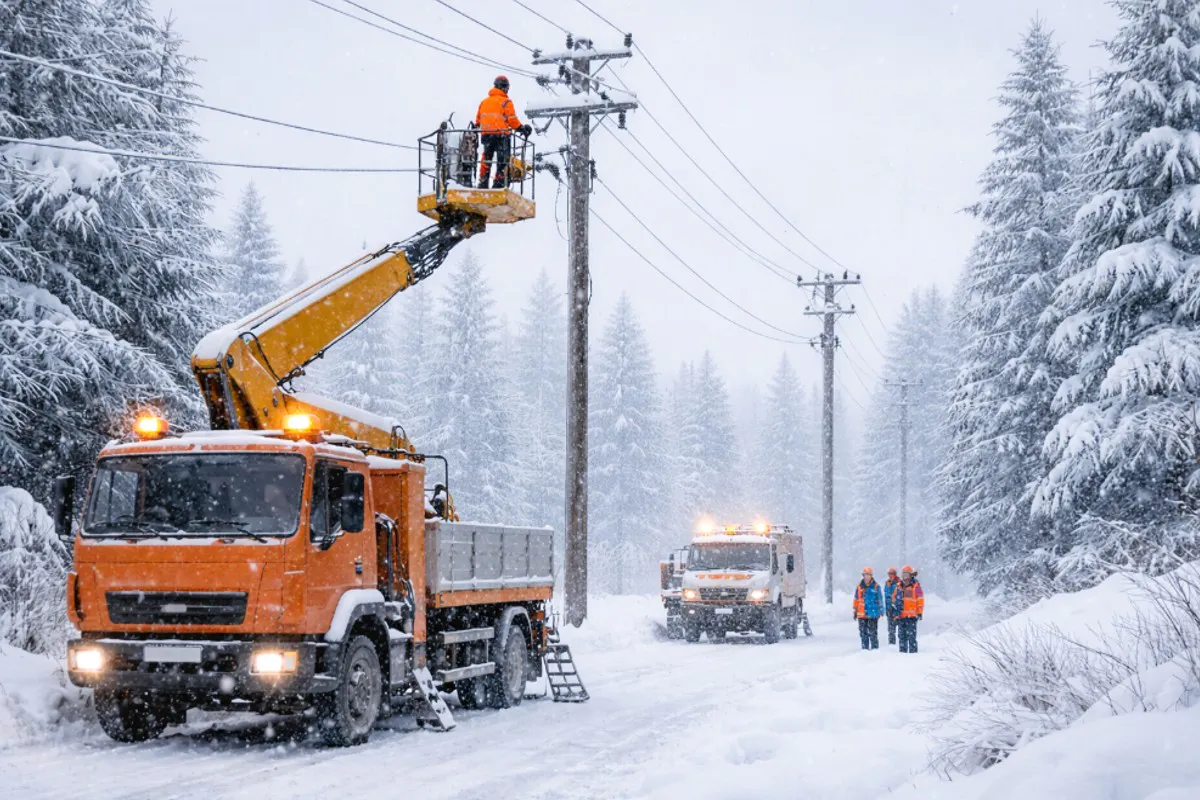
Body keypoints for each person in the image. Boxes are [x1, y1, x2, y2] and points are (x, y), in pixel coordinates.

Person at [476, 75, 532, 189]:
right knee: (503, 161)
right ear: (504, 88)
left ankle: (483, 182)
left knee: (486, 159)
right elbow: (512, 120)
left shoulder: (484, 102)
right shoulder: (506, 102)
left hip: (486, 134)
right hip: (501, 135)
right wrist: (522, 128)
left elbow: (477, 121)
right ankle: (499, 184)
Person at [852, 567, 884, 650]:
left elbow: (880, 599)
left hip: (872, 614)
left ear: (871, 576)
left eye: (868, 575)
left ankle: (875, 650)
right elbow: (856, 599)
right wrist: (855, 610)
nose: (866, 577)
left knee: (873, 633)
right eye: (865, 575)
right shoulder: (859, 586)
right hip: (861, 614)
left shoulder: (876, 586)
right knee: (863, 634)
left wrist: (881, 610)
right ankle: (865, 650)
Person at [897, 565, 924, 654]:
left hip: (912, 616)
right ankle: (902, 654)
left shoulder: (916, 586)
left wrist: (919, 612)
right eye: (903, 574)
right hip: (901, 616)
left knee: (911, 637)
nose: (905, 577)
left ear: (911, 575)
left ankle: (913, 655)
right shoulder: (899, 586)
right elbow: (894, 599)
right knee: (901, 636)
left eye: (906, 575)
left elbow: (920, 599)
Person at [884, 567, 901, 646]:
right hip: (889, 609)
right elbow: (886, 596)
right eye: (889, 574)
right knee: (891, 629)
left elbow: (899, 595)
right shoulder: (887, 583)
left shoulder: (899, 582)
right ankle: (891, 645)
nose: (890, 575)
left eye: (892, 574)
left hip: (896, 608)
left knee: (900, 628)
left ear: (895, 574)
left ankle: (901, 644)